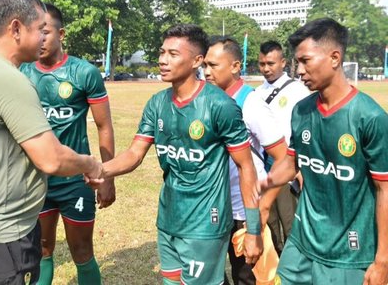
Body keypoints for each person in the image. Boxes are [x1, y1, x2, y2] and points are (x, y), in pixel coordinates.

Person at [87, 24, 263, 285]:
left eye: (172, 54)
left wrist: (253, 229)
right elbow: (135, 153)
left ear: (196, 61)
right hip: (169, 216)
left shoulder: (220, 105)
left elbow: (246, 167)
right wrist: (99, 170)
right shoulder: (157, 104)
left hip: (206, 222)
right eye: (161, 52)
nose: (162, 60)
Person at [0, 0, 103, 285]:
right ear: (17, 28)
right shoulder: (9, 80)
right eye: (39, 30)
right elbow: (51, 158)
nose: (43, 39)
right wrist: (90, 164)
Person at [260, 18, 388, 285]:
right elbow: (292, 161)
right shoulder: (302, 110)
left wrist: (382, 261)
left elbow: (384, 190)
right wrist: (265, 189)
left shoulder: (370, 117)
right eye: (297, 62)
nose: (299, 71)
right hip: (302, 242)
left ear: (334, 57)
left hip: (349, 253)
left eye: (306, 61)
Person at [21, 3, 115, 285]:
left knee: (82, 251)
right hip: (36, 179)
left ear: (61, 34)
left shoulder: (84, 72)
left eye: (46, 32)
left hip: (76, 179)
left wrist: (107, 175)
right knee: (43, 250)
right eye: (35, 32)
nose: (40, 38)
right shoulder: (23, 73)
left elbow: (104, 126)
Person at [204, 36, 287, 285]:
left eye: (213, 66)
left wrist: (262, 206)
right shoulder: (208, 100)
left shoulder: (251, 104)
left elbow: (283, 158)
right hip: (215, 206)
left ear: (235, 66)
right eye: (204, 65)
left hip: (244, 210)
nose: (206, 72)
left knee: (248, 277)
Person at [255, 40, 309, 255]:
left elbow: (306, 132)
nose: (266, 68)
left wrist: (301, 168)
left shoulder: (299, 90)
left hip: (288, 166)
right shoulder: (256, 93)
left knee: (290, 223)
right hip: (263, 168)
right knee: (269, 224)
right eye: (262, 64)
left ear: (283, 62)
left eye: (271, 63)